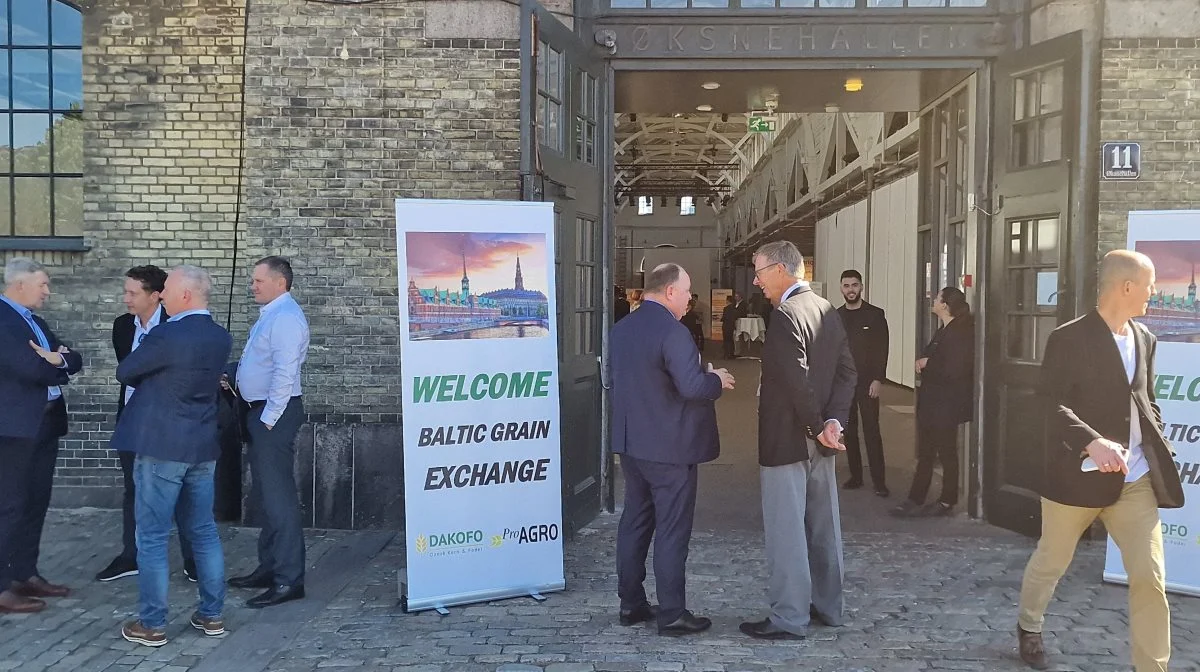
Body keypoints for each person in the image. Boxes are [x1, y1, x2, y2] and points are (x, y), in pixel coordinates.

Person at [1016, 250, 1184, 672]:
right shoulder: (1069, 338)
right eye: (1149, 284)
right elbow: (1046, 404)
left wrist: (1158, 442)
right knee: (1052, 561)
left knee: (1150, 578)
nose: (1153, 292)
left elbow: (1145, 402)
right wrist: (1092, 443)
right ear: (1126, 287)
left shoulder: (1146, 338)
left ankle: (1152, 667)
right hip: (1076, 479)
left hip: (1135, 481)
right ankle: (1029, 624)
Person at [610, 262, 734, 637]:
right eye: (687, 291)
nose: (689, 299)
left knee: (634, 523)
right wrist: (716, 379)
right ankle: (672, 614)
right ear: (669, 292)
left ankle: (630, 604)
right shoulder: (673, 332)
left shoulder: (620, 329)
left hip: (632, 446)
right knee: (671, 531)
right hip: (671, 448)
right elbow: (692, 388)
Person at [741, 241, 856, 640]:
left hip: (789, 439)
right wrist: (833, 422)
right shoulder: (827, 310)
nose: (756, 281)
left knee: (786, 530)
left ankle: (789, 617)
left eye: (759, 271)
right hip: (822, 439)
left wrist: (816, 425)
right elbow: (847, 373)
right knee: (824, 526)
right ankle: (829, 607)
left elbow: (796, 381)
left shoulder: (785, 315)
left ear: (780, 270)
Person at [113, 265, 232, 647]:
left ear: (185, 295)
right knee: (203, 531)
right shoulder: (219, 336)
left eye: (166, 290)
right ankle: (212, 615)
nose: (160, 296)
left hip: (162, 445)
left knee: (150, 535)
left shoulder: (166, 334)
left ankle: (153, 623)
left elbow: (126, 371)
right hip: (201, 444)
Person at [96, 265, 197, 583]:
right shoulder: (122, 327)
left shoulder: (176, 326)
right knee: (132, 488)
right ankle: (132, 555)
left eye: (132, 293)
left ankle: (193, 559)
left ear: (155, 296)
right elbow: (128, 371)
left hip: (168, 422)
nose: (126, 299)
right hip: (131, 420)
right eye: (125, 292)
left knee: (179, 489)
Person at [0, 258, 83, 614]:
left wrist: (58, 360)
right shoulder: (3, 320)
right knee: (9, 506)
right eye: (43, 285)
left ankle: (24, 573)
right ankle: (2, 586)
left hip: (45, 425)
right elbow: (28, 367)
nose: (48, 292)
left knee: (35, 502)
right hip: (14, 428)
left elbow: (74, 358)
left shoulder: (35, 321)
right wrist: (54, 362)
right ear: (19, 285)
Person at [226, 256, 311, 608]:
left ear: (280, 283)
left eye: (258, 281)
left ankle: (289, 580)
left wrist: (269, 418)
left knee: (279, 499)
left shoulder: (286, 319)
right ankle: (270, 566)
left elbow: (285, 372)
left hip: (272, 416)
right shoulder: (273, 315)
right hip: (260, 413)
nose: (252, 285)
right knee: (268, 494)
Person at [891, 287, 975, 518]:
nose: (934, 300)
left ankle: (945, 499)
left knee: (945, 453)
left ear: (945, 305)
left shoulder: (959, 332)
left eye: (937, 298)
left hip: (945, 404)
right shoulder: (946, 329)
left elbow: (955, 369)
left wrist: (928, 364)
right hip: (933, 402)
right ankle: (917, 498)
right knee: (928, 452)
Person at [837, 270, 890, 497]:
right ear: (841, 288)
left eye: (855, 285)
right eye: (847, 285)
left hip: (868, 383)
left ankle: (880, 482)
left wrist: (878, 378)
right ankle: (856, 477)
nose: (851, 289)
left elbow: (882, 349)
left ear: (862, 287)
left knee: (872, 431)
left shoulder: (875, 315)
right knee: (849, 431)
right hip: (844, 384)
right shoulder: (836, 316)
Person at [721, 292, 745, 360]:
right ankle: (731, 354)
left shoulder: (726, 308)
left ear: (727, 301)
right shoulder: (734, 309)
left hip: (726, 326)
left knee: (726, 340)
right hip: (731, 326)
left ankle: (726, 354)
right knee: (731, 341)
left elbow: (724, 317)